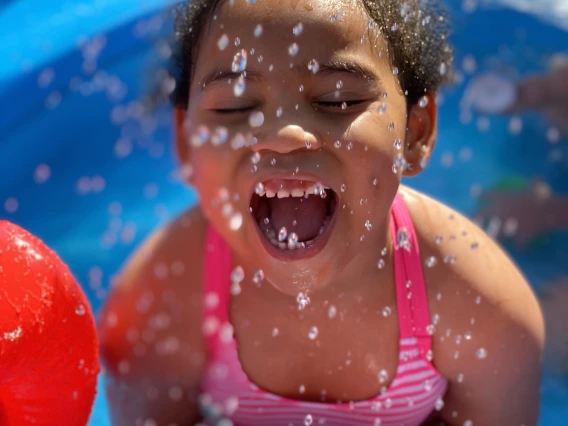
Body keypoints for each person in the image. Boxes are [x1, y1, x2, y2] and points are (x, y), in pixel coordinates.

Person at [98, 1, 545, 425]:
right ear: (187, 143)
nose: (284, 134)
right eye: (235, 107)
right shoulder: (166, 293)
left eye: (338, 101)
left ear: (415, 131)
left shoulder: (476, 302)